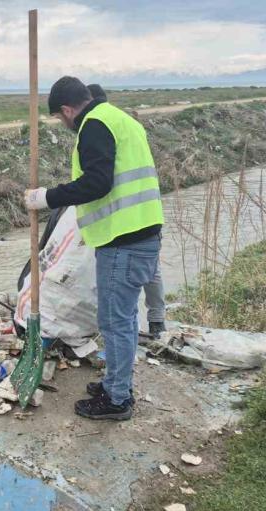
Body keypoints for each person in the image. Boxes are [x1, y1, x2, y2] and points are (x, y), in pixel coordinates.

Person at [25, 76, 164, 421]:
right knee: (123, 319)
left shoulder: (94, 125)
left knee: (115, 322)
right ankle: (117, 384)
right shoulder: (120, 119)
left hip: (125, 240)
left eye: (59, 118)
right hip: (141, 233)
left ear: (67, 110)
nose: (63, 124)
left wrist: (48, 197)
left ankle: (117, 400)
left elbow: (97, 183)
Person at [87, 84, 166, 338]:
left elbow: (101, 182)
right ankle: (156, 321)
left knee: (118, 317)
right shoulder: (130, 126)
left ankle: (155, 320)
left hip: (128, 226)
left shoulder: (102, 126)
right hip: (149, 217)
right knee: (150, 273)